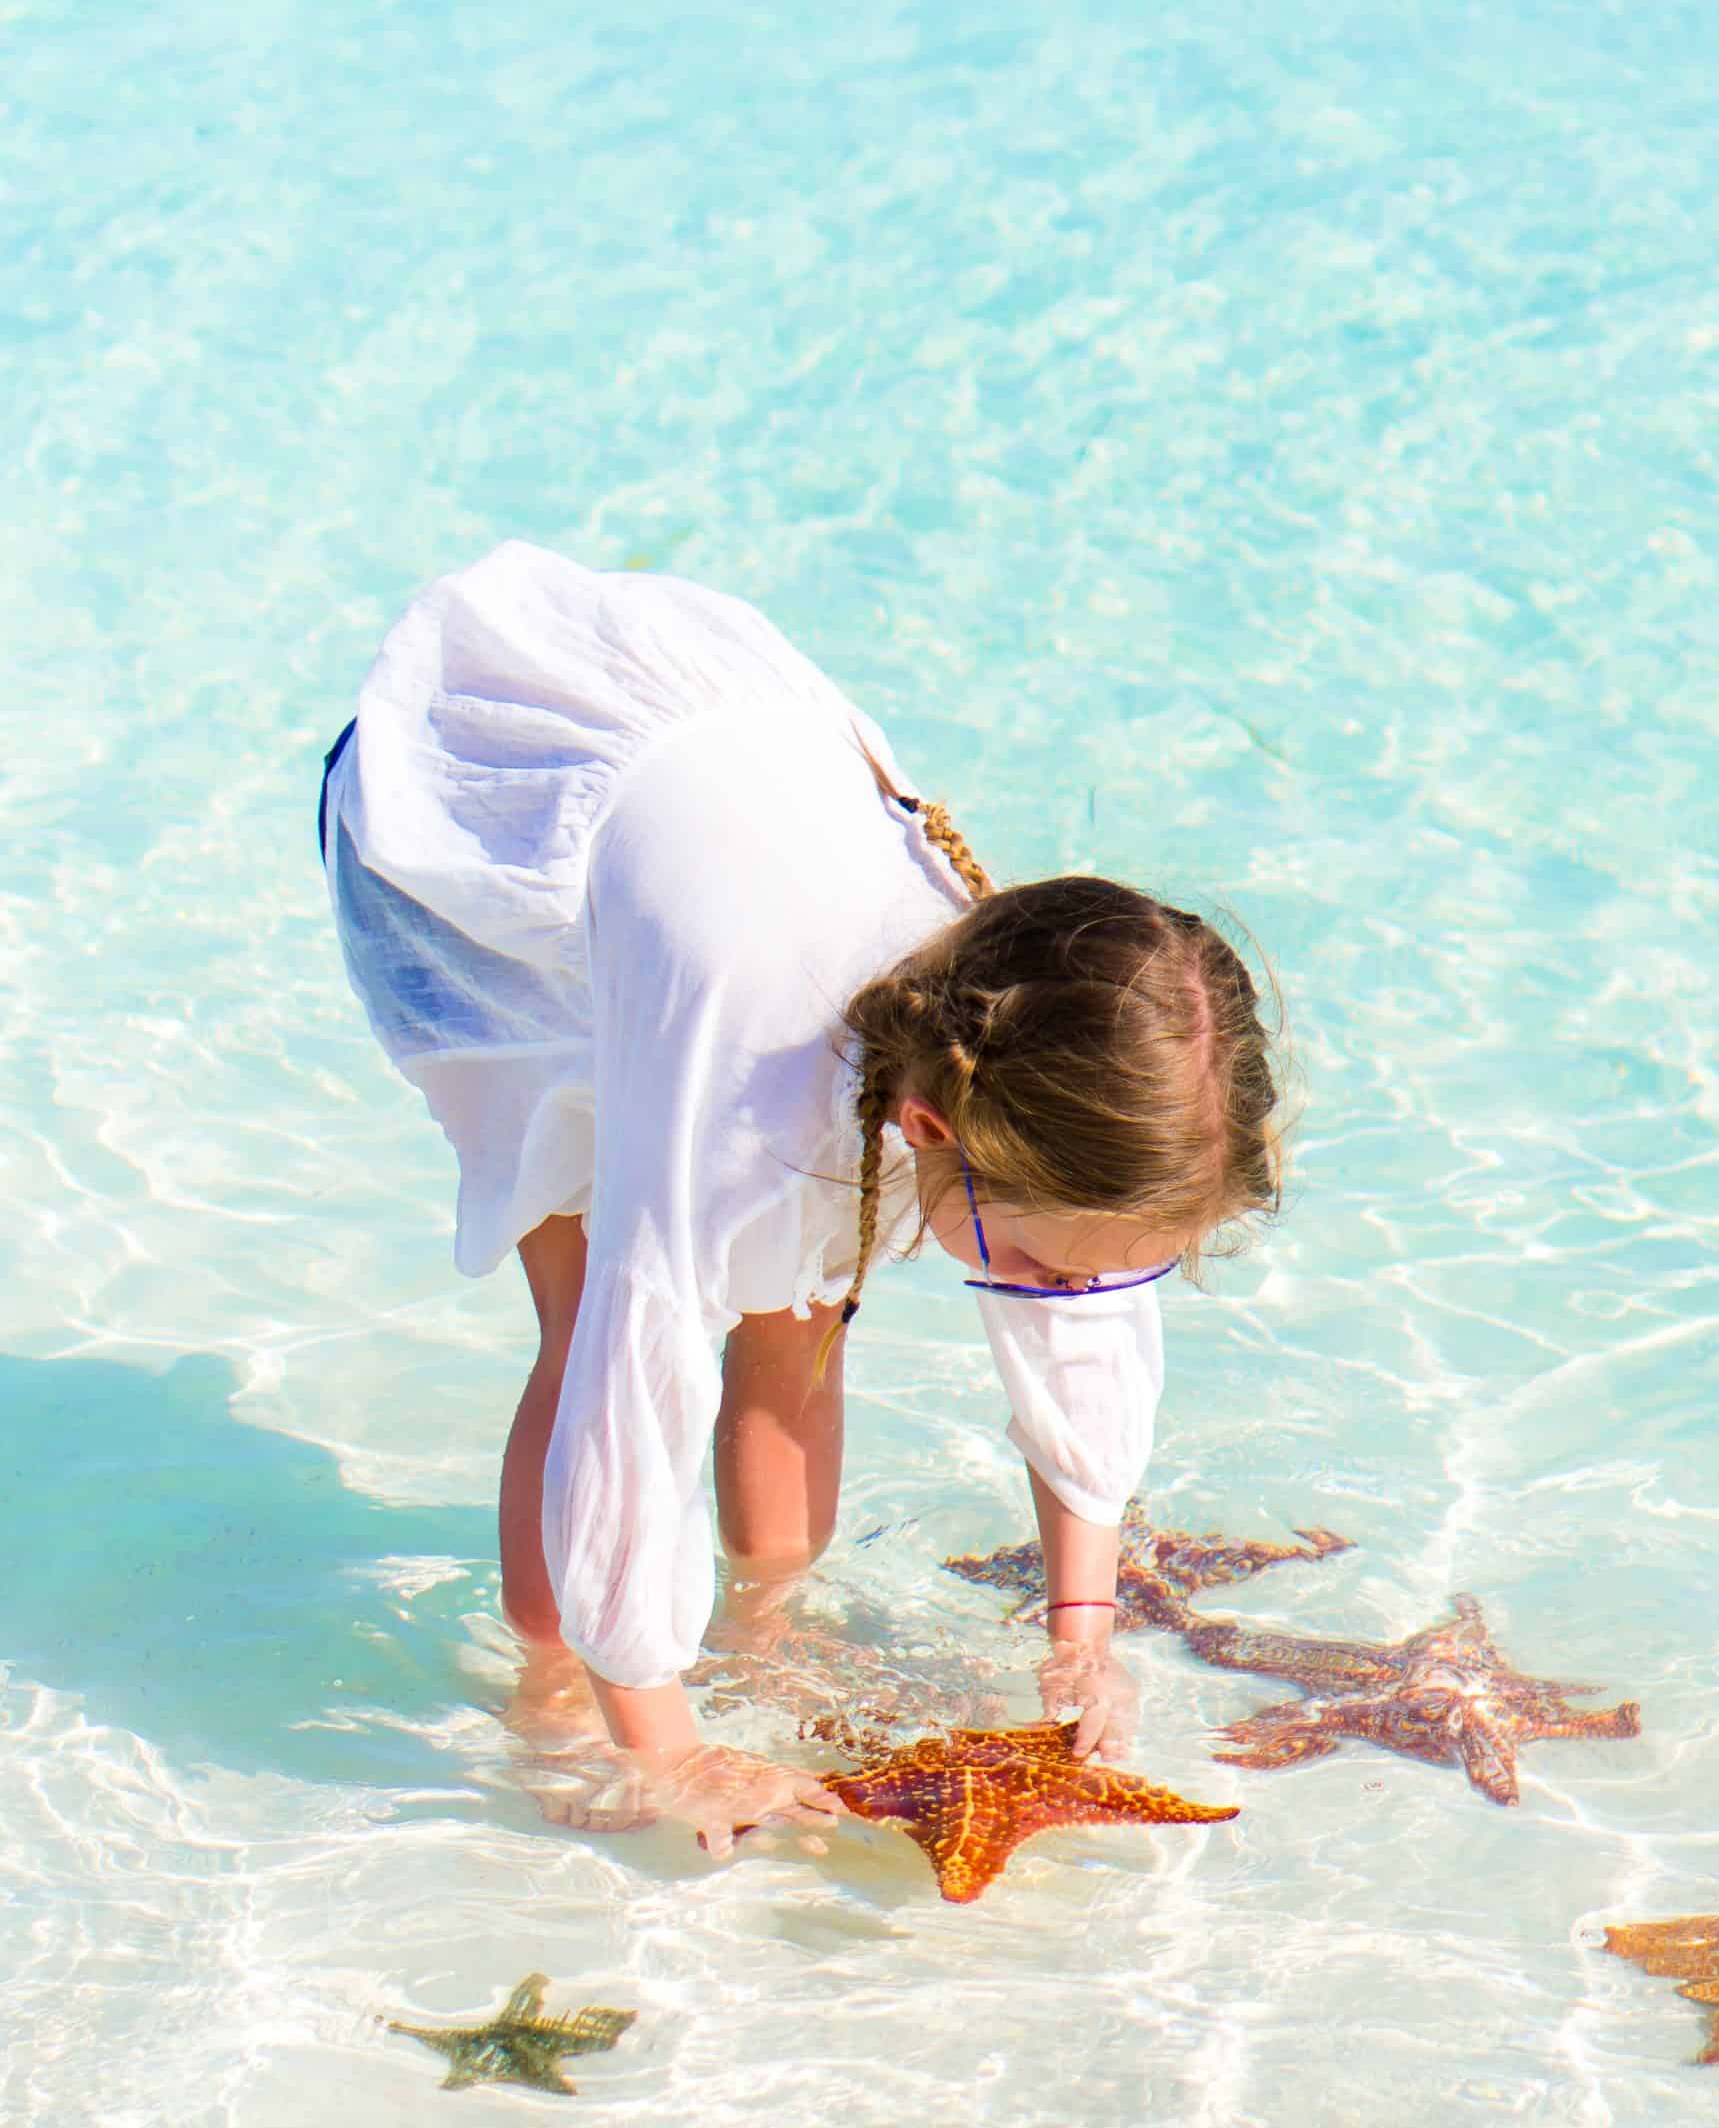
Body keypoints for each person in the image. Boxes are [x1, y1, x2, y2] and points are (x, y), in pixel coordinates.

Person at [319, 541, 1282, 1853]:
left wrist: (1084, 1634)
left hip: (730, 823)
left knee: (802, 1328)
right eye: (1045, 1271)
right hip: (493, 833)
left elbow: (1084, 1322)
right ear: (935, 1129)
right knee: (585, 1310)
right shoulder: (740, 1101)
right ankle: (550, 1698)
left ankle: (767, 1642)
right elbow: (633, 1386)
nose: (1058, 1300)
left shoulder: (1015, 1025)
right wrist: (665, 1752)